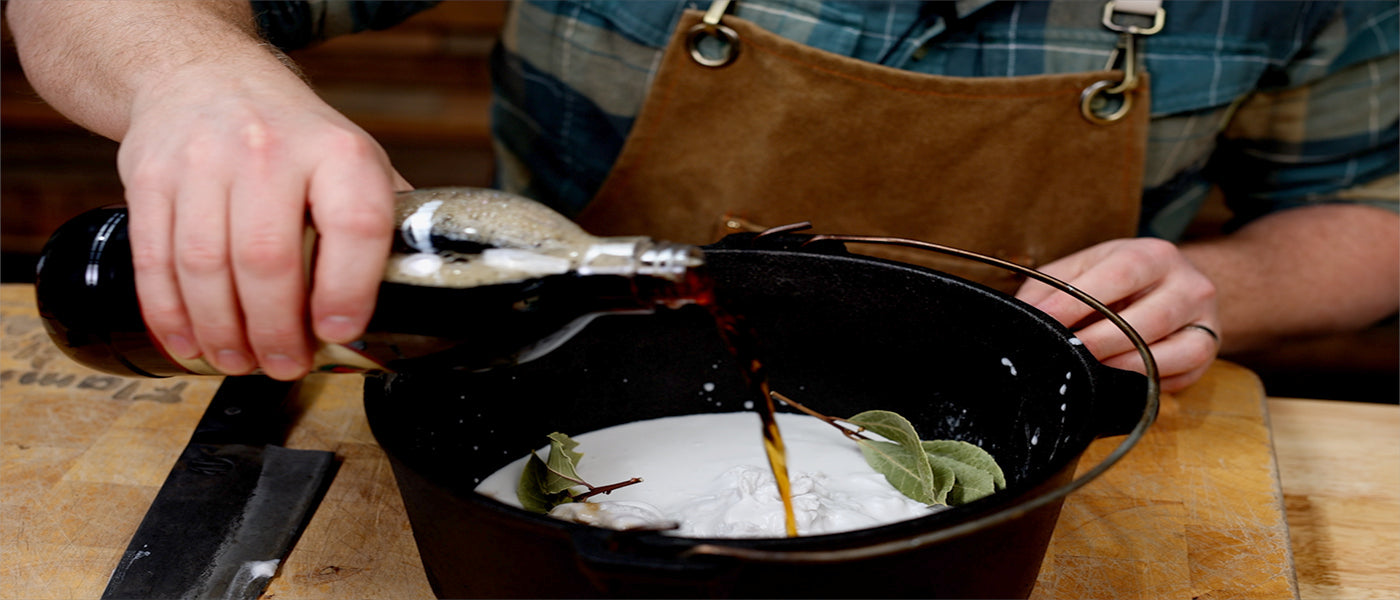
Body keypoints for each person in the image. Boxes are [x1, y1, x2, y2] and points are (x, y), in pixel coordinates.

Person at [6, 0, 1396, 393]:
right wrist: (194, 75)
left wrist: (1235, 284)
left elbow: (1376, 218)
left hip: (1005, 431)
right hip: (554, 378)